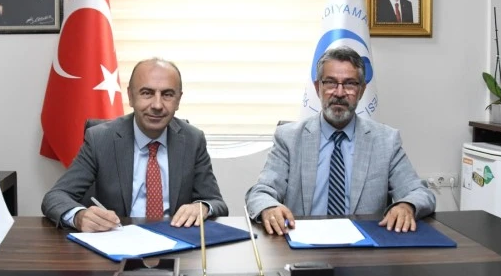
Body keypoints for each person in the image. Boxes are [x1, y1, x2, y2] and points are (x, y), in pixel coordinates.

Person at [245, 46, 435, 235]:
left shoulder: (386, 140)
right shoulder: (289, 138)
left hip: (364, 243)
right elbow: (260, 192)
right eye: (330, 83)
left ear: (361, 90)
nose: (339, 92)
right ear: (318, 88)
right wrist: (269, 207)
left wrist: (406, 205)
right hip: (304, 241)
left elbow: (419, 193)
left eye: (350, 84)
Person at [42, 57, 228, 232]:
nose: (157, 105)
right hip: (117, 239)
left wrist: (203, 207)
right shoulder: (100, 139)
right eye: (147, 93)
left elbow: (216, 202)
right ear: (130, 96)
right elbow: (55, 197)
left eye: (167, 94)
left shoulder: (193, 140)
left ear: (178, 100)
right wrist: (79, 217)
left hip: (175, 240)